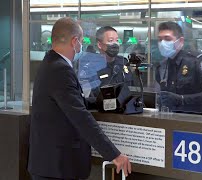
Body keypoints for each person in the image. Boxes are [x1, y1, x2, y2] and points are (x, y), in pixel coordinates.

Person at [28, 17, 131, 180]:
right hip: (57, 168)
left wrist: (102, 102)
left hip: (51, 165)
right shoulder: (60, 69)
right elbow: (80, 117)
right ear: (75, 41)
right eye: (81, 41)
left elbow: (72, 102)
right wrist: (114, 155)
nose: (81, 46)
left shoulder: (50, 63)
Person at [155, 21, 202, 114]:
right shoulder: (162, 67)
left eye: (167, 39)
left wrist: (182, 99)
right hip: (172, 117)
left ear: (180, 41)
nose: (162, 43)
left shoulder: (198, 61)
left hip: (200, 117)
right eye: (160, 39)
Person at [93, 26, 134, 96]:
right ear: (100, 45)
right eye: (111, 41)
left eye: (117, 40)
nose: (115, 44)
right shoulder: (92, 67)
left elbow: (132, 88)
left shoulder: (123, 62)